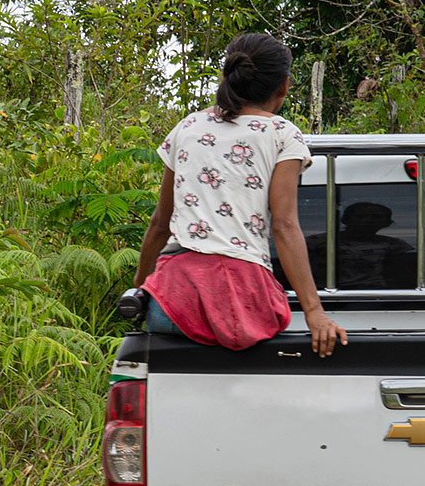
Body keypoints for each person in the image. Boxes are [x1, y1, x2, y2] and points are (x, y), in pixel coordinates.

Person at [134, 32, 345, 356]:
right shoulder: (282, 134)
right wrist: (314, 311)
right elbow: (284, 226)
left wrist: (140, 288)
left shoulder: (188, 127)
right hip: (243, 303)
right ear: (284, 86)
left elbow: (160, 224)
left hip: (173, 301)